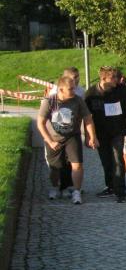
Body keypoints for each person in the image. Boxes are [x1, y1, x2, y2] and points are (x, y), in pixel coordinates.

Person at [37, 75, 98, 204]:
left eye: (74, 88)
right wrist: (50, 141)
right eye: (70, 89)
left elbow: (88, 119)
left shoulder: (78, 100)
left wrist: (92, 136)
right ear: (61, 89)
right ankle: (55, 187)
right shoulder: (49, 101)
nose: (74, 91)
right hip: (54, 137)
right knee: (55, 167)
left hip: (72, 136)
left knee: (77, 164)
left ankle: (76, 191)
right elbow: (40, 123)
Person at [85, 66, 126, 202]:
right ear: (103, 78)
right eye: (112, 77)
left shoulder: (120, 91)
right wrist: (90, 136)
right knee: (106, 162)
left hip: (117, 132)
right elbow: (87, 118)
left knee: (118, 159)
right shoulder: (91, 93)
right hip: (100, 133)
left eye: (116, 77)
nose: (116, 79)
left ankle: (121, 192)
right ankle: (110, 186)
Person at [48, 66, 85, 195]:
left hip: (73, 130)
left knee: (73, 161)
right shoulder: (54, 92)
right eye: (73, 77)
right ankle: (59, 186)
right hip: (57, 130)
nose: (76, 80)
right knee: (58, 162)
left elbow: (83, 112)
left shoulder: (81, 91)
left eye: (77, 77)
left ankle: (71, 186)